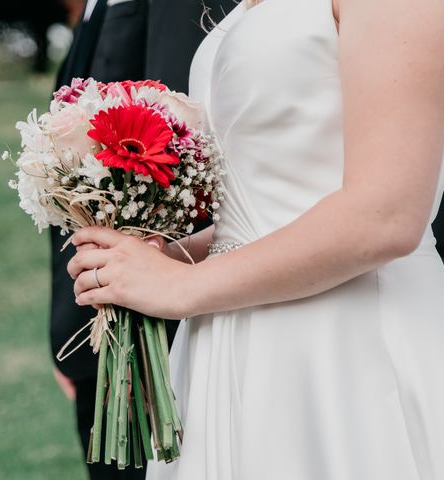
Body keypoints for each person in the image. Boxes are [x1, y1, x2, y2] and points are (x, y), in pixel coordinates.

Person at [68, 0, 444, 478]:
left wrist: (180, 288)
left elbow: (386, 215)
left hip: (342, 339)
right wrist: (158, 262)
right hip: (227, 332)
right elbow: (258, 210)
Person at [49, 1, 229, 478]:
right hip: (99, 316)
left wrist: (155, 295)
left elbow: (181, 151)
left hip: (152, 332)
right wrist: (70, 327)